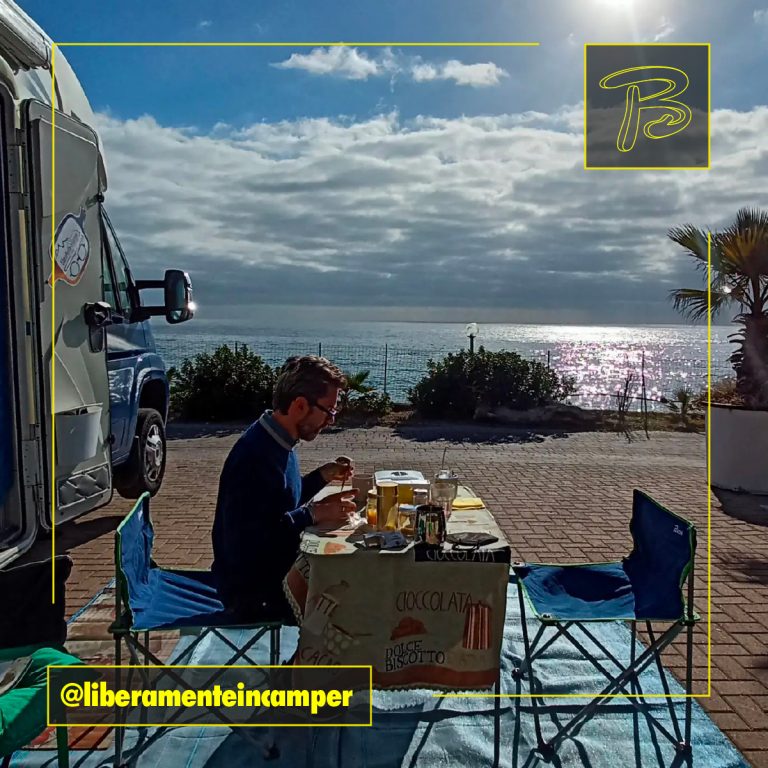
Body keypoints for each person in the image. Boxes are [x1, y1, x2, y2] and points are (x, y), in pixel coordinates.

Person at [211, 355, 356, 624]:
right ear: (300, 405)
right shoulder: (255, 456)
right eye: (329, 411)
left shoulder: (275, 439)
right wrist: (313, 515)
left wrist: (321, 476)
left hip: (265, 574)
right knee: (350, 602)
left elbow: (280, 500)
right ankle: (315, 663)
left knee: (349, 583)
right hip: (253, 592)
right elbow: (252, 541)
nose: (331, 420)